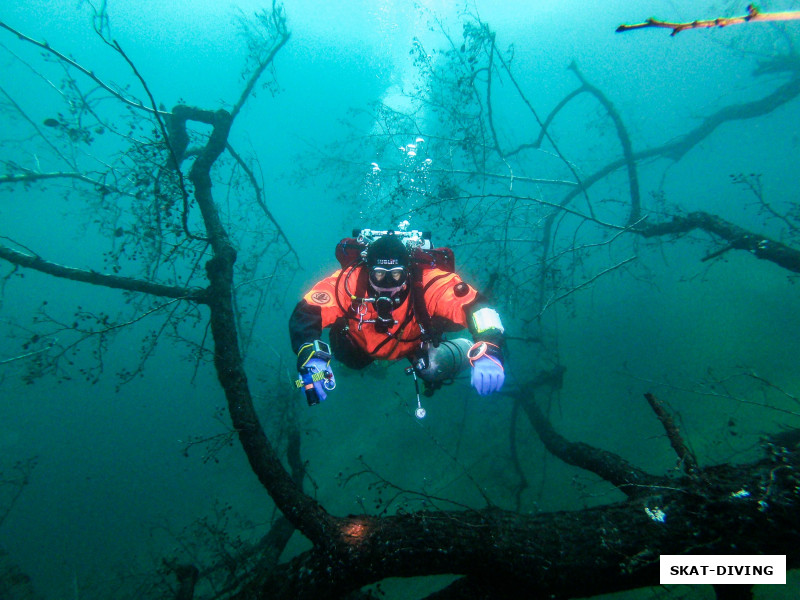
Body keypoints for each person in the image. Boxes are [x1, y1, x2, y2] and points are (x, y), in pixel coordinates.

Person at [289, 229, 506, 408]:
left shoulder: (429, 282)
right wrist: (309, 353)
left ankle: (461, 349)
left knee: (431, 369)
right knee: (350, 359)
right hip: (358, 345)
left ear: (408, 273)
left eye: (396, 275)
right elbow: (308, 311)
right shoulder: (348, 282)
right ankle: (354, 365)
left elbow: (477, 307)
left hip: (414, 345)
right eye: (379, 275)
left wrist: (489, 348)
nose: (387, 284)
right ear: (368, 270)